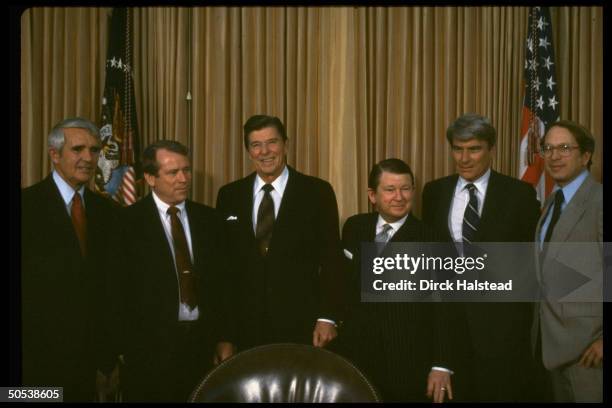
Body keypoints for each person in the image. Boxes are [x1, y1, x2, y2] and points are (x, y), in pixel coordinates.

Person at [421, 113, 541, 401]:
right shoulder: (434, 192)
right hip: (450, 331)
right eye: (458, 149)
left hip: (503, 335)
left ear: (491, 149)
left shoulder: (520, 195)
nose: (464, 158)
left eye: (473, 149)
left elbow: (531, 267)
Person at [215, 114, 344, 351]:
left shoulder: (317, 192)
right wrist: (225, 334)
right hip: (246, 329)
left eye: (272, 142)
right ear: (248, 150)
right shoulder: (229, 196)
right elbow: (224, 271)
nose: (265, 151)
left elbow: (332, 259)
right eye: (256, 145)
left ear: (286, 144)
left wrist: (327, 317)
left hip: (302, 326)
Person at [117, 140, 233, 402]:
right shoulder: (125, 224)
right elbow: (116, 291)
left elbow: (225, 286)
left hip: (203, 349)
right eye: (173, 172)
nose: (183, 179)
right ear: (150, 177)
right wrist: (124, 348)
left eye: (187, 170)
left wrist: (226, 337)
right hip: (149, 353)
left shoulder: (211, 220)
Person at [21, 117, 120, 401]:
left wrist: (109, 357)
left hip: (92, 364)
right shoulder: (26, 208)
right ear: (54, 155)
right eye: (78, 150)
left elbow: (110, 289)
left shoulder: (108, 213)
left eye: (93, 150)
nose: (88, 158)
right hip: (34, 363)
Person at [339, 158, 454, 402]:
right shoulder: (354, 227)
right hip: (356, 356)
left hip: (407, 361)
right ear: (372, 195)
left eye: (406, 189)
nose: (399, 197)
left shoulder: (431, 238)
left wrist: (441, 364)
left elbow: (444, 308)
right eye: (390, 189)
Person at [533, 120, 602, 402]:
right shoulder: (551, 202)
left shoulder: (598, 201)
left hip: (590, 352)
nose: (554, 156)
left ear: (585, 156)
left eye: (564, 148)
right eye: (548, 148)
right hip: (553, 346)